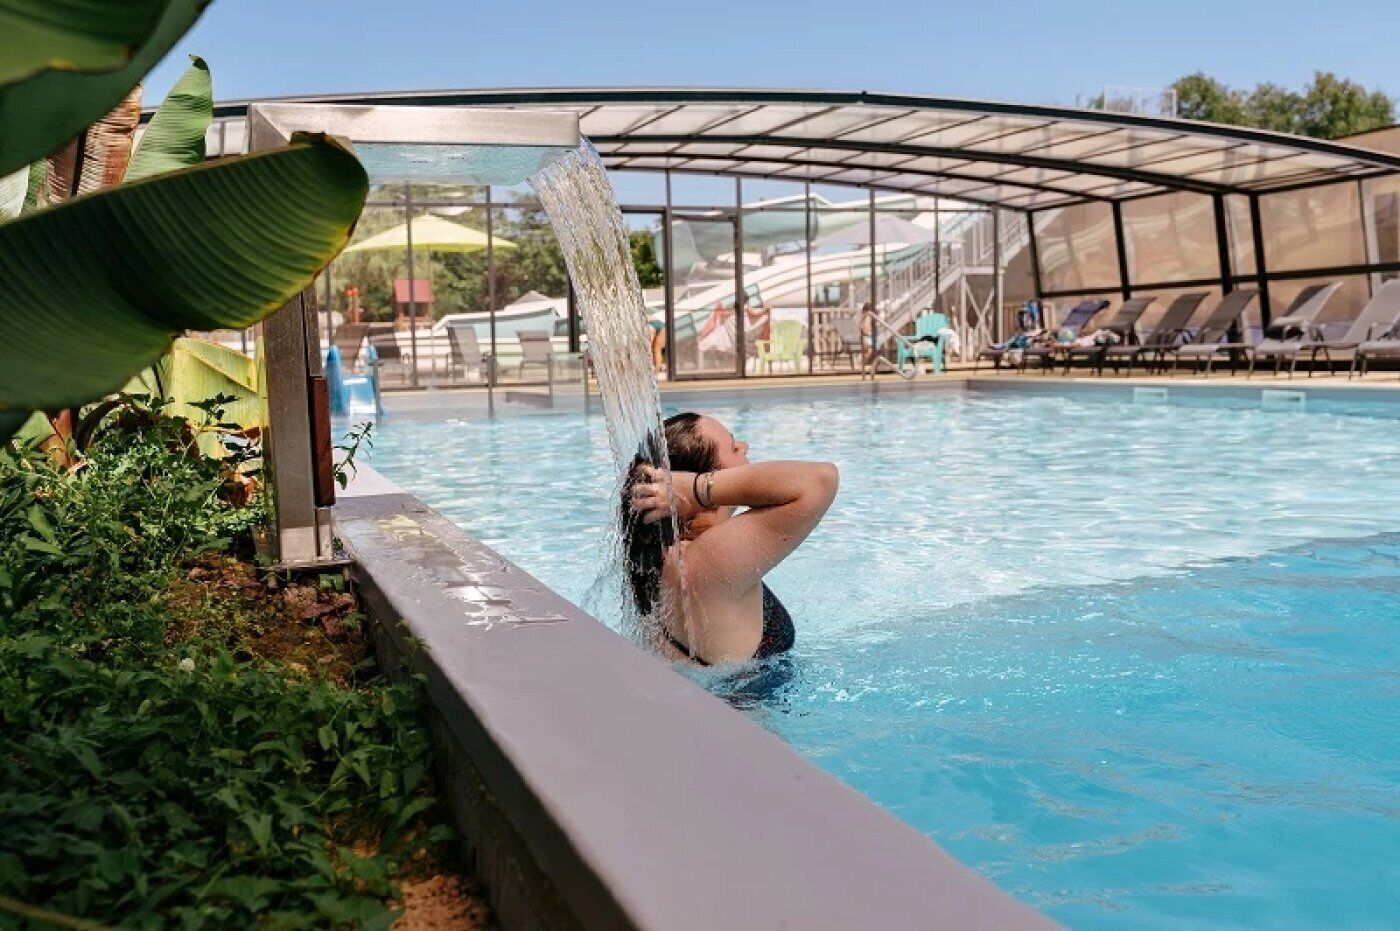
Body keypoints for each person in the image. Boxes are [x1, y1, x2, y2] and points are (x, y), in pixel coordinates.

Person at [623, 413, 838, 665]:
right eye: (733, 447)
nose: (744, 447)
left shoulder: (665, 551)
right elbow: (821, 479)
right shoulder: (707, 559)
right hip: (742, 704)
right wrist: (697, 489)